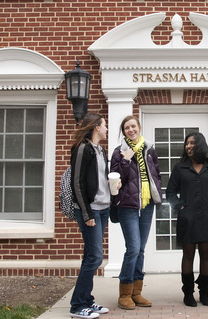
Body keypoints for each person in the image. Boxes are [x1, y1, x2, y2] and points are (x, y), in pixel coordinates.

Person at [166, 132, 208, 307]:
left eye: (192, 143)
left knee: (206, 255)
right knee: (188, 255)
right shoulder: (180, 167)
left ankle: (205, 293)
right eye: (187, 143)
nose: (188, 146)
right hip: (187, 219)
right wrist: (179, 206)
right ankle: (188, 294)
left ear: (200, 145)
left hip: (207, 218)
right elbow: (170, 192)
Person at [110, 115, 163, 310]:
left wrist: (158, 192)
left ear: (139, 127)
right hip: (127, 205)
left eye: (133, 126)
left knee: (140, 248)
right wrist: (126, 160)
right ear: (123, 132)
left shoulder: (150, 150)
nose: (130, 130)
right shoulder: (119, 152)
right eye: (126, 128)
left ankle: (136, 292)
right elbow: (115, 180)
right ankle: (124, 293)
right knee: (132, 248)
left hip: (147, 204)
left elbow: (156, 173)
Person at [69, 113, 111, 319]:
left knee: (90, 256)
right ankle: (77, 305)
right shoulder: (82, 148)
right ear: (96, 127)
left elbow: (101, 180)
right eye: (104, 125)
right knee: (95, 257)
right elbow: (77, 183)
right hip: (90, 209)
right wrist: (86, 213)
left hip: (103, 209)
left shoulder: (100, 151)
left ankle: (87, 300)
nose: (106, 129)